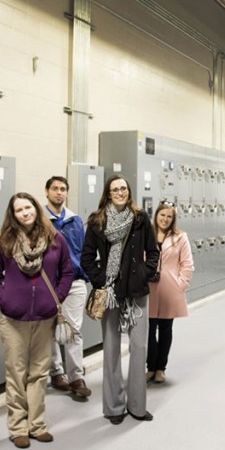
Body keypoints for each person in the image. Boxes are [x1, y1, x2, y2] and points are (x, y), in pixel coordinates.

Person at [0, 192, 73, 448]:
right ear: (13, 215)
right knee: (16, 373)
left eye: (28, 207)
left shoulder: (56, 239)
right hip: (14, 319)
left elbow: (67, 271)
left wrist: (56, 296)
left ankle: (37, 425)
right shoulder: (6, 241)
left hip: (45, 318)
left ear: (36, 208)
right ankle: (18, 427)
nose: (25, 212)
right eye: (19, 209)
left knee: (39, 373)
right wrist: (7, 300)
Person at [81, 175, 160, 425]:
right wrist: (101, 279)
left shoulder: (140, 218)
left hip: (136, 291)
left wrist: (146, 273)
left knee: (139, 348)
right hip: (111, 294)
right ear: (108, 193)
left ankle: (137, 406)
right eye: (115, 189)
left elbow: (153, 251)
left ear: (129, 191)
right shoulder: (97, 221)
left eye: (124, 188)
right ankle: (114, 407)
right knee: (112, 348)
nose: (120, 193)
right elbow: (86, 257)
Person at [44, 176, 93, 401]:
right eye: (55, 189)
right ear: (47, 192)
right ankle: (56, 372)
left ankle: (76, 377)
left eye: (63, 189)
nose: (59, 193)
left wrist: (85, 277)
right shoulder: (40, 220)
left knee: (73, 329)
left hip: (74, 282)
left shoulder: (75, 220)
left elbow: (83, 251)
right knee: (50, 329)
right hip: (49, 284)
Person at [147, 202, 194, 384]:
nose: (165, 219)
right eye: (162, 215)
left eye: (169, 217)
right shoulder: (147, 235)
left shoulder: (180, 237)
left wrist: (179, 285)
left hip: (170, 290)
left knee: (165, 330)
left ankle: (160, 368)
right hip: (149, 290)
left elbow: (187, 264)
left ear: (173, 219)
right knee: (149, 331)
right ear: (156, 215)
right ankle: (150, 366)